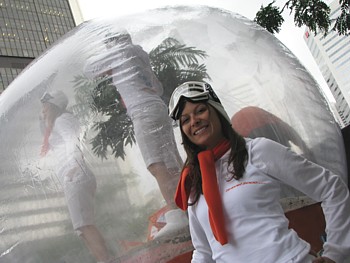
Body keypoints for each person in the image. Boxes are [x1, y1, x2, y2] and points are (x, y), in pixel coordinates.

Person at [168, 81, 350, 263]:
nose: (194, 121)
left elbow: (332, 188)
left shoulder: (257, 151)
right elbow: (203, 252)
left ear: (217, 110)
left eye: (200, 110)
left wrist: (335, 253)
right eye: (185, 119)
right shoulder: (193, 182)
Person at [84, 32, 187, 238]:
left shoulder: (118, 51)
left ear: (113, 44)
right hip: (158, 107)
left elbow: (89, 70)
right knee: (172, 161)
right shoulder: (140, 53)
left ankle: (177, 215)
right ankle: (190, 204)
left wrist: (109, 64)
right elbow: (158, 87)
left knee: (156, 164)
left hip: (142, 111)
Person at [40, 91, 112, 263]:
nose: (42, 112)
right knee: (82, 227)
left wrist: (72, 167)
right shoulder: (58, 122)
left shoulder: (61, 120)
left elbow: (72, 140)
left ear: (53, 107)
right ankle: (105, 259)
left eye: (45, 107)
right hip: (74, 176)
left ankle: (107, 260)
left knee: (84, 225)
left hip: (76, 175)